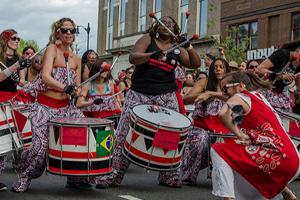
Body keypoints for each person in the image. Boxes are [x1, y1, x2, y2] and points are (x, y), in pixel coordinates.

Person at [93, 15, 200, 188]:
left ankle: (168, 175)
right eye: (161, 22)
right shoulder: (147, 39)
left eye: (169, 23)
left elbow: (195, 63)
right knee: (124, 132)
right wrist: (152, 55)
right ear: (156, 27)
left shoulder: (178, 47)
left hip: (166, 94)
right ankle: (114, 174)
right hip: (139, 93)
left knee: (170, 133)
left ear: (175, 28)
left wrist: (188, 45)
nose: (165, 24)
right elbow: (133, 58)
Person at [12, 17, 91, 192]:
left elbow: (76, 87)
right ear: (58, 32)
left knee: (80, 140)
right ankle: (24, 175)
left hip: (66, 109)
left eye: (72, 30)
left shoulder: (77, 59)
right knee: (39, 149)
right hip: (44, 108)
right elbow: (46, 77)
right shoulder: (51, 50)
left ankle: (75, 178)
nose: (69, 33)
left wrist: (78, 92)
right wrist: (65, 87)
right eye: (65, 30)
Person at [212, 71, 299, 200]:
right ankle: (285, 191)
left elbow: (223, 113)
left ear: (241, 86)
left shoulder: (242, 96)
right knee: (237, 156)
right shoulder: (259, 97)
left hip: (279, 158)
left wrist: (239, 134)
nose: (225, 93)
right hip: (293, 159)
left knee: (218, 150)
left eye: (226, 88)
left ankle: (229, 198)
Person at [182, 58, 230, 185]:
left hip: (226, 128)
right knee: (200, 142)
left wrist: (214, 94)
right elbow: (186, 99)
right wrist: (204, 94)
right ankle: (188, 176)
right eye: (215, 67)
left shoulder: (231, 84)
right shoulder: (204, 82)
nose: (218, 69)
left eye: (221, 67)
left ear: (226, 69)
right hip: (202, 126)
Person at [0, 29, 31, 191]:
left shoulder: (19, 59)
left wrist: (36, 86)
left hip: (12, 101)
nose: (18, 41)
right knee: (0, 143)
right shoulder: (1, 58)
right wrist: (16, 67)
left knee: (10, 144)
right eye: (14, 38)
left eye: (19, 38)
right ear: (6, 39)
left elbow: (22, 81)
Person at [257, 41, 300, 112]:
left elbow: (297, 84)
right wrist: (282, 76)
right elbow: (259, 69)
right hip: (267, 90)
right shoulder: (282, 54)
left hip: (280, 95)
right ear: (297, 50)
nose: (298, 62)